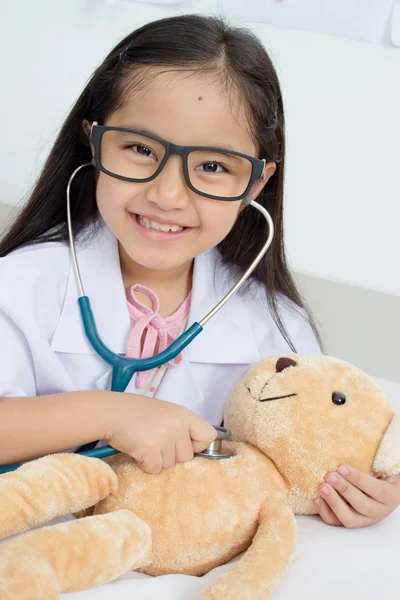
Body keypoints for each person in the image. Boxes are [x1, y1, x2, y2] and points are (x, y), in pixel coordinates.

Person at [0, 15, 398, 528]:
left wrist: (368, 491)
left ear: (255, 183)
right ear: (94, 143)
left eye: (212, 166)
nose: (168, 195)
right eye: (141, 149)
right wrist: (110, 414)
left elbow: (317, 446)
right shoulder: (19, 287)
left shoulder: (273, 328)